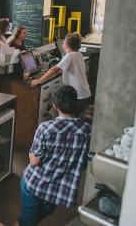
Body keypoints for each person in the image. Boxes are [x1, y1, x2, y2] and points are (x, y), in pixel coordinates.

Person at [16, 85, 91, 226]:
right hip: (57, 188)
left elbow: (35, 161)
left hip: (38, 184)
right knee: (32, 219)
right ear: (75, 104)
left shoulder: (45, 128)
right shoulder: (86, 130)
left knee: (29, 220)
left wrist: (31, 153)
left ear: (55, 106)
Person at [30, 33, 91, 118]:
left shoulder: (70, 55)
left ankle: (50, 118)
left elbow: (54, 69)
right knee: (75, 121)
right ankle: (51, 116)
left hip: (78, 96)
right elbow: (65, 69)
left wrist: (39, 80)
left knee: (70, 120)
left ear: (66, 44)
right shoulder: (78, 54)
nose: (62, 44)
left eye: (63, 43)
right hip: (85, 94)